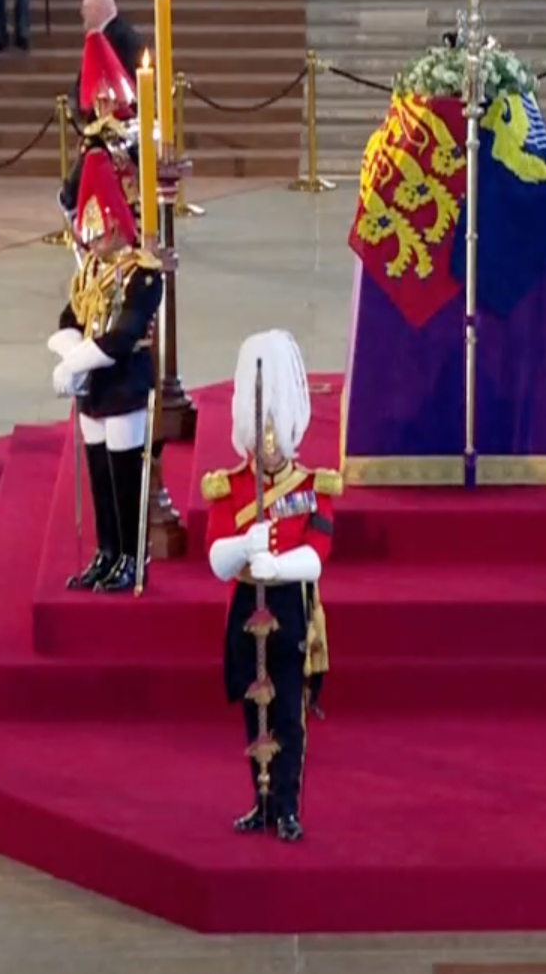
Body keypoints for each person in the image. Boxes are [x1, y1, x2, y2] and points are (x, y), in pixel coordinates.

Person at [203, 331, 336, 841]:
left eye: (275, 432)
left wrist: (274, 566)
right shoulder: (230, 485)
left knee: (287, 715)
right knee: (254, 714)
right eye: (261, 433)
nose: (268, 444)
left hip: (287, 606)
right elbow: (216, 556)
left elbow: (317, 556)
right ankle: (259, 802)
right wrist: (242, 549)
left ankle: (286, 806)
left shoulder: (311, 487)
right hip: (244, 608)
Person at [50, 151, 167, 591]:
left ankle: (132, 558)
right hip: (93, 389)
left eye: (98, 234)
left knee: (124, 478)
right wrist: (69, 353)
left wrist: (77, 360)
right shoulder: (90, 273)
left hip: (125, 385)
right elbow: (69, 318)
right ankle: (107, 550)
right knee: (98, 474)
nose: (92, 243)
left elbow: (124, 335)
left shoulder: (142, 274)